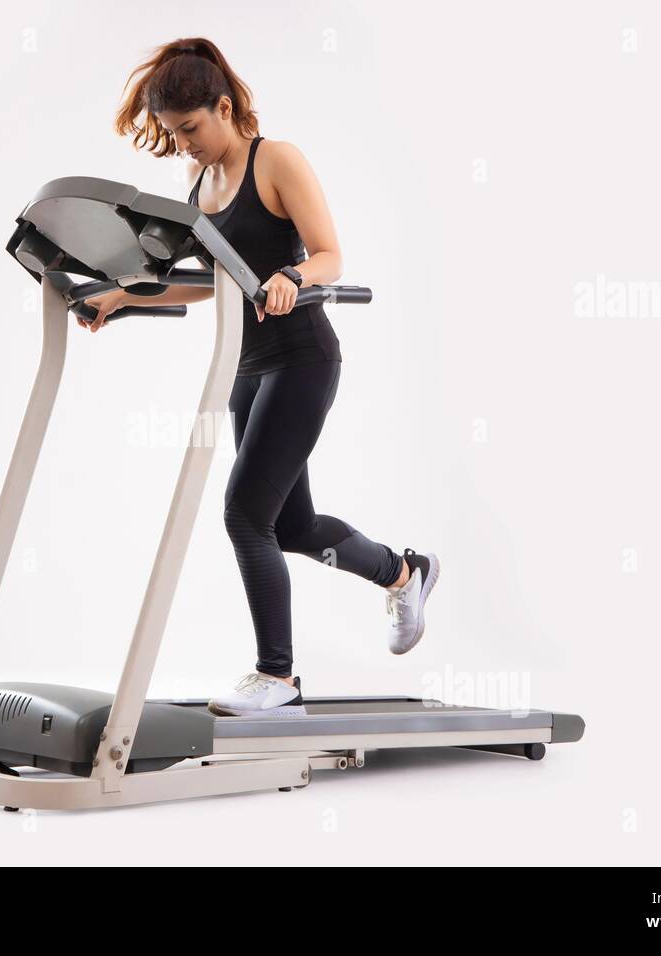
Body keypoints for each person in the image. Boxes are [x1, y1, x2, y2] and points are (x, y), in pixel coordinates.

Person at [84, 38, 440, 718]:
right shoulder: (199, 188)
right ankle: (404, 570)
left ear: (224, 107)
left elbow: (332, 254)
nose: (184, 144)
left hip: (303, 358)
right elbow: (201, 287)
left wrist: (292, 277)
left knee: (244, 514)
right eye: (173, 133)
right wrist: (123, 297)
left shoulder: (275, 160)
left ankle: (277, 675)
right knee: (291, 525)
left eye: (191, 128)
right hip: (247, 370)